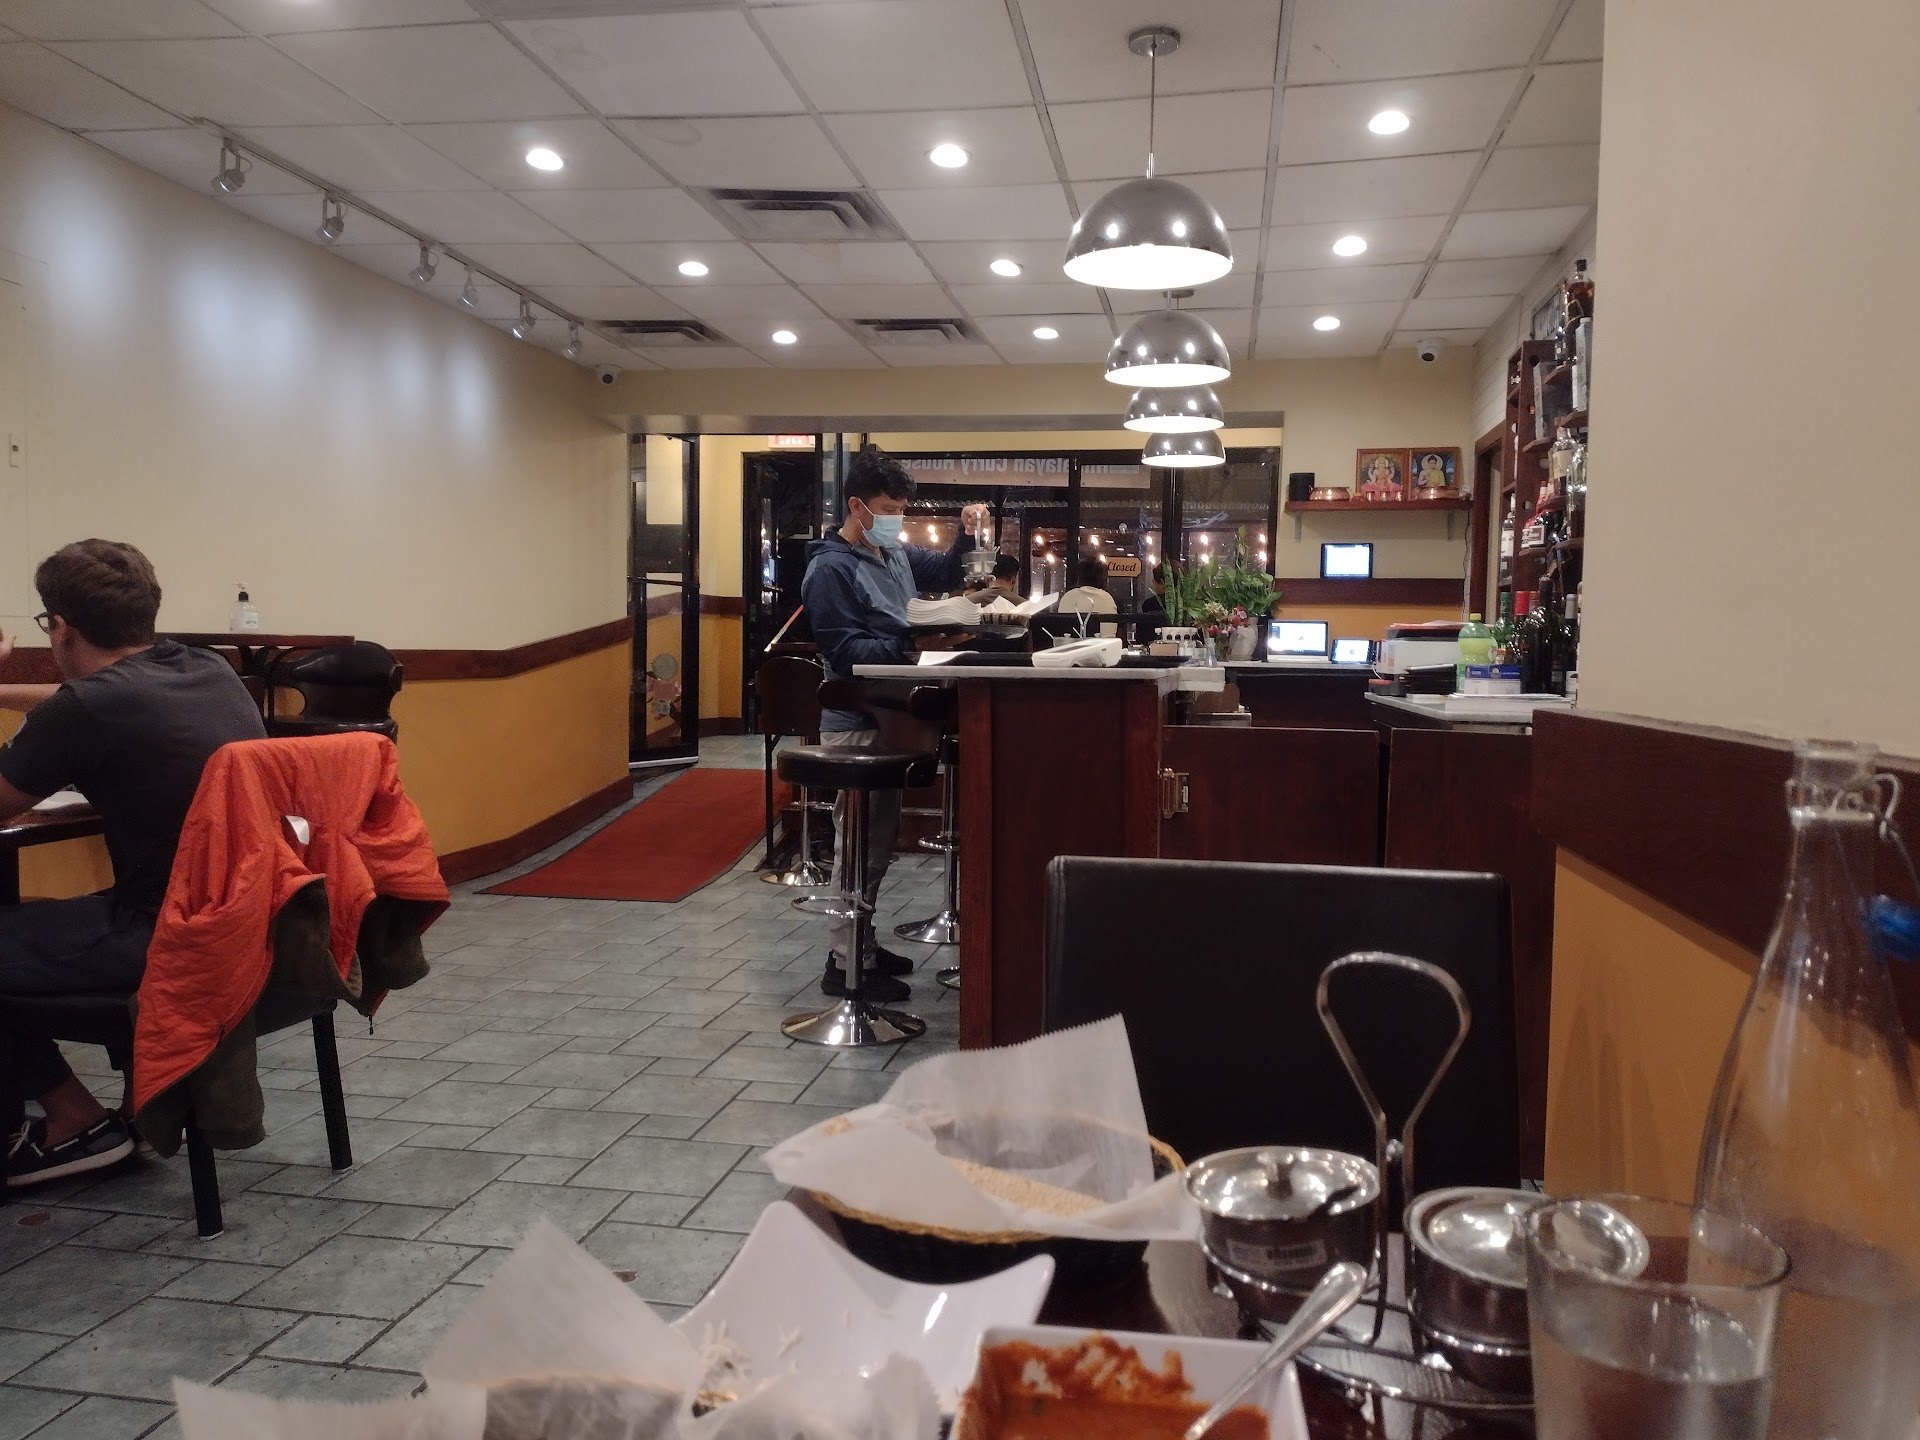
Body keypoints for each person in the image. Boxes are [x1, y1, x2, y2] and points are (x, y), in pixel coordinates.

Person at [0, 540, 267, 1188]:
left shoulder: (87, 709)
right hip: (253, 926)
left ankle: (74, 1121)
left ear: (60, 627)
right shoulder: (206, 668)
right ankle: (141, 1105)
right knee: (45, 921)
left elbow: (71, 713)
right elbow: (82, 701)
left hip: (162, 938)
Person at [801, 449, 986, 1002]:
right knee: (859, 839)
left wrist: (965, 534)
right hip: (855, 719)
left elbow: (946, 571)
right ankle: (843, 961)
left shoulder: (894, 554)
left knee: (878, 841)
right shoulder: (830, 569)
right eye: (885, 509)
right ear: (855, 505)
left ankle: (862, 942)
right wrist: (913, 641)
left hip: (895, 715)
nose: (894, 519)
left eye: (900, 509)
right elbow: (845, 650)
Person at [1056, 558, 1120, 634]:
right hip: (1103, 642)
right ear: (1104, 580)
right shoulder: (1107, 599)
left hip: (1069, 642)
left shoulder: (1067, 597)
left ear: (1079, 578)